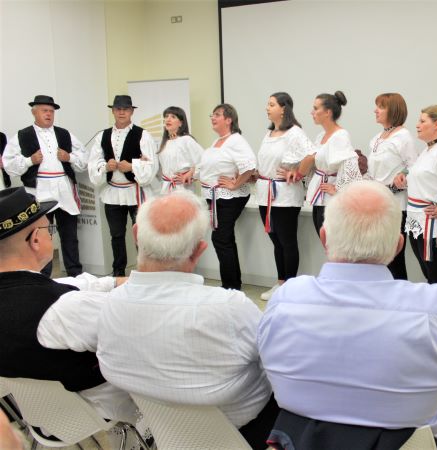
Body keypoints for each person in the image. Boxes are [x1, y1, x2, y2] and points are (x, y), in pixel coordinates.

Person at [258, 180, 437, 450]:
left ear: (324, 238)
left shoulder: (284, 300)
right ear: (398, 246)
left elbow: (266, 369)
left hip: (303, 440)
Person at [96, 190, 277, 449]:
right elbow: (276, 363)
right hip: (241, 436)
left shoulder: (110, 306)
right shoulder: (230, 308)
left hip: (161, 432)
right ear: (199, 250)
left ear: (135, 234)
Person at [0, 187, 137, 424]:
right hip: (101, 409)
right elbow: (133, 327)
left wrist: (117, 282)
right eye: (49, 229)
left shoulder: (29, 292)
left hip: (37, 416)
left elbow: (71, 285)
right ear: (35, 240)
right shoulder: (62, 307)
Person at [2, 95, 88, 277]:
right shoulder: (22, 135)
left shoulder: (65, 134)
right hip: (39, 190)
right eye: (44, 111)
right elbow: (9, 165)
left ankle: (75, 274)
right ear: (34, 112)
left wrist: (69, 157)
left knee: (70, 235)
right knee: (41, 237)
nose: (48, 114)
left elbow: (84, 159)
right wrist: (29, 161)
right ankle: (43, 276)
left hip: (64, 190)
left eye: (51, 111)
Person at [393, 105, 437, 293]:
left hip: (433, 225)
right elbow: (425, 180)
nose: (417, 125)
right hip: (416, 221)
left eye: (422, 121)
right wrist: (404, 178)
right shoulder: (427, 151)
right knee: (430, 275)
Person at [88, 95, 158, 276]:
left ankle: (145, 272)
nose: (121, 112)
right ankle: (118, 273)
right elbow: (93, 163)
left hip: (136, 193)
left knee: (141, 235)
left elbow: (152, 166)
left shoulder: (143, 135)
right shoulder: (102, 136)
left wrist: (132, 166)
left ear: (132, 111)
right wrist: (106, 166)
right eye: (118, 109)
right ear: (113, 111)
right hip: (113, 193)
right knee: (116, 235)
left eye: (125, 109)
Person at [256, 92, 314, 301]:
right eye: (268, 104)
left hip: (285, 196)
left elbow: (311, 155)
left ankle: (290, 285)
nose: (267, 108)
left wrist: (298, 173)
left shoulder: (294, 132)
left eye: (271, 104)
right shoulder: (269, 133)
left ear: (283, 109)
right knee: (276, 241)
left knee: (287, 241)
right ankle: (280, 283)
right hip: (265, 194)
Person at [197, 104, 256, 290]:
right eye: (212, 114)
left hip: (230, 196)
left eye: (217, 115)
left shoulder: (236, 140)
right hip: (216, 197)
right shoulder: (218, 141)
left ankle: (230, 286)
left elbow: (250, 166)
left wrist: (235, 184)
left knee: (221, 239)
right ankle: (232, 285)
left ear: (229, 120)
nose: (212, 118)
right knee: (225, 239)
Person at [366, 93, 418, 280]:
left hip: (395, 205)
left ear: (393, 111)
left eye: (381, 107)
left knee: (394, 257)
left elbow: (415, 168)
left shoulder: (403, 137)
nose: (375, 110)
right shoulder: (377, 138)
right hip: (376, 203)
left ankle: (399, 294)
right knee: (379, 257)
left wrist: (402, 175)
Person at [297, 91, 362, 234]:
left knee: (332, 240)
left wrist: (338, 189)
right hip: (320, 196)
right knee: (323, 237)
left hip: (331, 201)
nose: (311, 112)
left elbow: (350, 165)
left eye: (316, 108)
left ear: (328, 112)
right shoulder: (321, 136)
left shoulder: (340, 136)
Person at [157, 106, 203, 194]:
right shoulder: (162, 143)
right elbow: (158, 168)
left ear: (181, 123)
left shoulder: (186, 140)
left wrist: (191, 173)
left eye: (173, 117)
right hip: (166, 189)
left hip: (183, 189)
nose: (168, 119)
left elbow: (203, 160)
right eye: (166, 116)